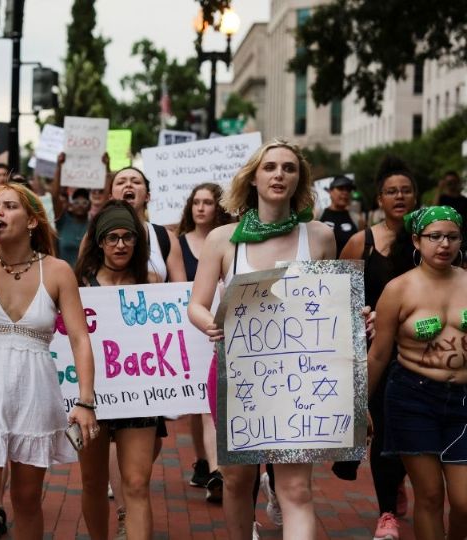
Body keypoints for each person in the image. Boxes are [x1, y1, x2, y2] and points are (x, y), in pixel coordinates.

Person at [187, 139, 337, 540]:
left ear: (299, 179)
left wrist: (353, 317)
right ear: (253, 177)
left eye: (289, 168)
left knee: (296, 489)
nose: (279, 175)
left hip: (300, 379)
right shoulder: (223, 239)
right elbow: (196, 305)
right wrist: (209, 323)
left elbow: (330, 306)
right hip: (237, 376)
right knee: (237, 482)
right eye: (270, 167)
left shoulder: (320, 237)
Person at [0, 182, 98, 539]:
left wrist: (86, 401)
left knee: (26, 501)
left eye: (9, 206)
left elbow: (79, 338)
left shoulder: (57, 271)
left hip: (34, 392)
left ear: (31, 220)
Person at [367, 205, 467, 540]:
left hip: (463, 403)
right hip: (413, 397)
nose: (444, 244)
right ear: (416, 239)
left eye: (452, 237)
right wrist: (359, 406)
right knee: (430, 495)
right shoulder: (398, 289)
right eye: (434, 236)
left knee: (464, 502)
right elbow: (379, 354)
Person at [337, 156, 419, 539]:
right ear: (379, 198)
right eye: (391, 191)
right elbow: (337, 300)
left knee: (413, 433)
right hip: (377, 354)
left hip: (423, 355)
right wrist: (360, 319)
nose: (399, 196)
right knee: (383, 431)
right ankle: (387, 511)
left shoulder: (431, 239)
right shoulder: (362, 242)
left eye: (405, 190)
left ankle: (399, 480)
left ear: (415, 196)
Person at [74, 200, 162, 540]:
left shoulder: (152, 285)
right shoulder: (79, 284)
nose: (121, 244)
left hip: (138, 397)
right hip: (91, 399)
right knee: (93, 483)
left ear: (137, 242)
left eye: (128, 237)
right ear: (100, 243)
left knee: (137, 483)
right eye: (112, 237)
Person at [176, 182, 232, 502]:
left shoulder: (229, 241)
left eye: (207, 202)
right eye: (195, 201)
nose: (200, 208)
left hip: (217, 329)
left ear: (217, 207)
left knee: (209, 405)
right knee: (196, 404)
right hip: (189, 326)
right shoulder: (178, 242)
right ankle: (206, 461)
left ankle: (215, 471)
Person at [103, 166, 187, 283]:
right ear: (110, 197)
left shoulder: (166, 238)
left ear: (147, 196)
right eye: (121, 182)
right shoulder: (93, 236)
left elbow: (181, 290)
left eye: (136, 182)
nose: (128, 185)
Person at [318, 175, 359, 256]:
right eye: (340, 188)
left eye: (348, 190)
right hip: (321, 267)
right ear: (330, 191)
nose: (345, 192)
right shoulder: (317, 215)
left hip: (348, 267)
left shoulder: (357, 219)